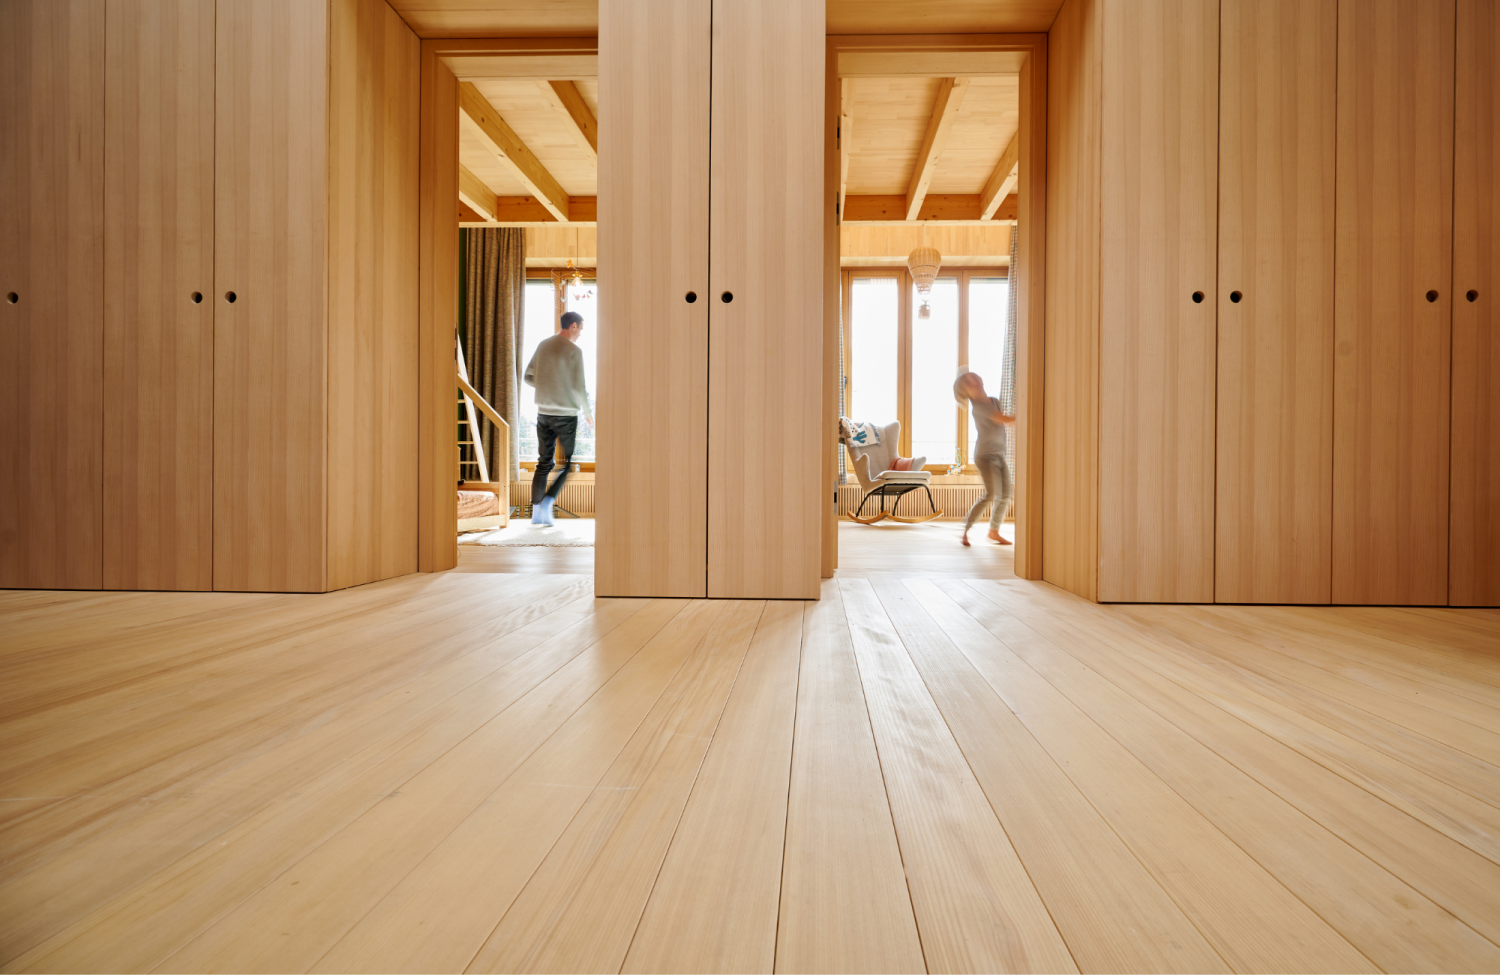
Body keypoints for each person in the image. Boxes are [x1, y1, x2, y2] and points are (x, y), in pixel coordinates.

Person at [524, 310, 593, 525]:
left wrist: (546, 387)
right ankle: (548, 503)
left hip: (543, 413)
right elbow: (579, 386)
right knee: (567, 464)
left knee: (543, 463)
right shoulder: (574, 350)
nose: (580, 333)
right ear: (573, 326)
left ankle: (536, 513)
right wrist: (588, 413)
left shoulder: (543, 345)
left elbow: (528, 376)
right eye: (580, 328)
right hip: (565, 415)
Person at [954, 371, 1015, 547]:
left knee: (1005, 495)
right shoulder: (979, 408)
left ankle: (994, 531)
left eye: (974, 377)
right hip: (985, 456)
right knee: (991, 495)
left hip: (999, 454)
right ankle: (966, 529)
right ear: (966, 393)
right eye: (968, 382)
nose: (974, 381)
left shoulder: (994, 401)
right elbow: (1002, 419)